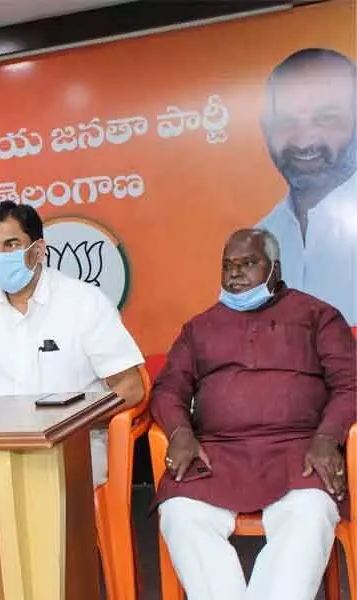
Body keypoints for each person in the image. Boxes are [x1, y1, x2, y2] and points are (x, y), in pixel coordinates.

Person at [152, 229, 355, 600]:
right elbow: (168, 388)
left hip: (299, 452)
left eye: (248, 264)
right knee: (180, 511)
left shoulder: (317, 315)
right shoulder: (199, 327)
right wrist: (181, 431)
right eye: (227, 266)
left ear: (275, 269)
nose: (234, 275)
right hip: (217, 454)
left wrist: (328, 437)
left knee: (310, 511)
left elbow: (351, 383)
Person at [0, 201, 145, 486]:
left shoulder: (83, 302)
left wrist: (72, 426)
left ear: (39, 249)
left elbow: (131, 388)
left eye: (11, 245)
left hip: (71, 449)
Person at [257, 48, 356, 325]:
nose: (303, 141)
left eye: (326, 118)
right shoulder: (258, 242)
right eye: (285, 122)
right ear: (265, 129)